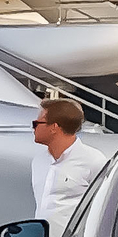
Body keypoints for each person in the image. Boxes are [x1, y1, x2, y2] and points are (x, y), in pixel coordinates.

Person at [30, 98, 99, 229]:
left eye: (36, 123)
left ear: (54, 127)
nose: (33, 128)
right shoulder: (38, 161)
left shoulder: (93, 161)